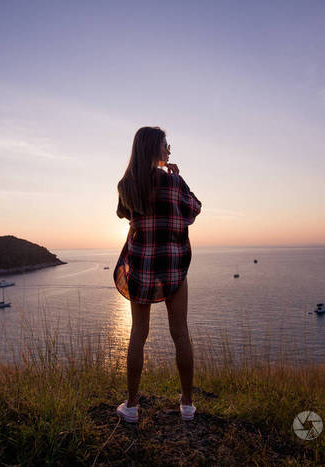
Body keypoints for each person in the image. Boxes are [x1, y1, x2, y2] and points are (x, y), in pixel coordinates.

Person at [113, 126, 202, 422]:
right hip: (174, 266)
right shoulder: (174, 182)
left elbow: (123, 214)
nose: (169, 150)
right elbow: (195, 209)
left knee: (138, 334)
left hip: (141, 267)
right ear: (155, 148)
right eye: (166, 145)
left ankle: (131, 406)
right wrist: (175, 178)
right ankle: (187, 405)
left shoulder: (126, 184)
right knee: (181, 333)